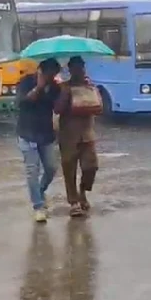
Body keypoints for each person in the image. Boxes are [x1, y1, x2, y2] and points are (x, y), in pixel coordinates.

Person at [16, 58, 62, 223]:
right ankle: (38, 206)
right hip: (27, 133)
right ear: (41, 71)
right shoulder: (26, 82)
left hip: (46, 133)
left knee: (51, 168)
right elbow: (23, 102)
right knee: (32, 171)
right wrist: (39, 87)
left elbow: (58, 107)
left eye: (54, 75)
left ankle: (40, 191)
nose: (52, 77)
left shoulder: (55, 88)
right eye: (50, 74)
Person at [54, 56, 100, 217]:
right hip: (68, 135)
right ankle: (73, 202)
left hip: (87, 134)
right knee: (69, 169)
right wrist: (66, 94)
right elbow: (58, 109)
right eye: (75, 68)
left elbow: (99, 108)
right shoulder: (64, 87)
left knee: (91, 166)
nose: (79, 71)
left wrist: (90, 92)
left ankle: (83, 191)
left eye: (81, 68)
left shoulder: (90, 86)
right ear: (70, 70)